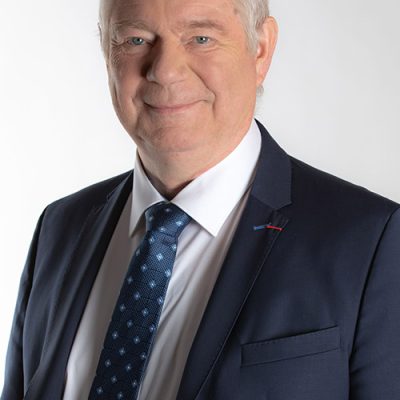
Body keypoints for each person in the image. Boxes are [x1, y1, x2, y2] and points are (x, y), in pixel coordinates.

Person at [2, 0, 399, 398]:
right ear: (107, 51)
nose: (165, 70)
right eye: (136, 39)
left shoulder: (371, 244)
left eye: (201, 38)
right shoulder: (60, 228)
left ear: (261, 49)